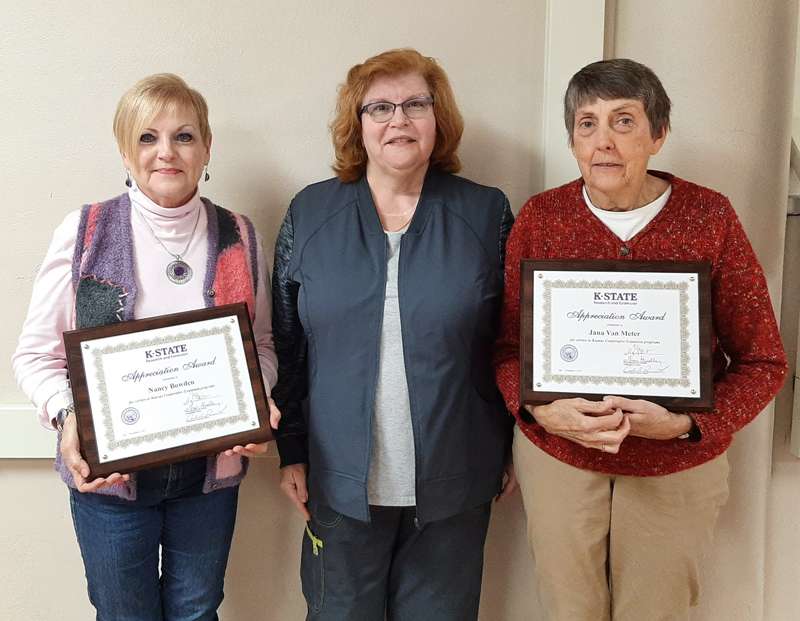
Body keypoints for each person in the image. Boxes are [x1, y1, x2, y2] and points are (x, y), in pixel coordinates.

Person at [494, 58, 788, 621]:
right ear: (572, 139)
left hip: (674, 467)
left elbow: (763, 361)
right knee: (567, 610)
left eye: (623, 121)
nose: (603, 142)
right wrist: (538, 412)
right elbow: (507, 349)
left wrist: (687, 424)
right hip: (561, 459)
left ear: (658, 134)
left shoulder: (709, 217)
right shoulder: (541, 217)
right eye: (587, 124)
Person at [12, 73, 279, 621]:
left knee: (197, 611)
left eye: (184, 136)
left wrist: (257, 399)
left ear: (206, 147)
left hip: (210, 476)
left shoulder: (241, 235)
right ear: (125, 151)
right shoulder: (85, 230)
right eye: (147, 137)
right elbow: (35, 356)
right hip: (111, 483)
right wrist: (70, 419)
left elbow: (264, 346)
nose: (166, 153)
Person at [271, 48, 516, 620]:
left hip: (457, 477)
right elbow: (288, 344)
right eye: (379, 107)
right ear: (357, 125)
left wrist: (510, 444)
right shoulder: (311, 212)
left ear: (439, 119)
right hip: (337, 481)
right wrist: (292, 450)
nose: (398, 119)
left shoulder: (486, 213)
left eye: (415, 104)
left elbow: (512, 340)